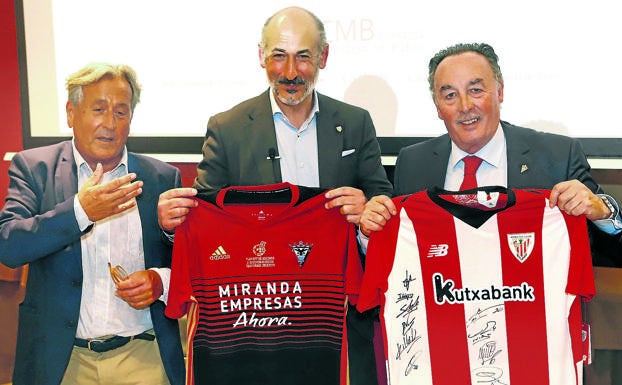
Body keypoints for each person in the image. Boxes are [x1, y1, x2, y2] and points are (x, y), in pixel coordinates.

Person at [157, 6, 393, 385]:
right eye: (278, 56)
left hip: (339, 326)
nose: (289, 72)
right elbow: (203, 217)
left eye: (303, 56)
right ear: (261, 57)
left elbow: (383, 203)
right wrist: (172, 226)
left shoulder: (355, 122)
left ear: (324, 57)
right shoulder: (228, 128)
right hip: (255, 333)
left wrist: (368, 217)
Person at [0, 63, 185, 385]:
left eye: (121, 112)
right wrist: (80, 211)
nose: (110, 124)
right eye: (98, 109)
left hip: (143, 356)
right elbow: (9, 246)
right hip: (62, 360)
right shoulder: (34, 168)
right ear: (72, 113)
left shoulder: (161, 177)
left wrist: (161, 281)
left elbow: (190, 261)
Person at [361, 42, 621, 251]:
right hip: (444, 310)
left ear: (499, 92)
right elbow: (397, 251)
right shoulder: (413, 163)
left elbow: (613, 246)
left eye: (475, 90)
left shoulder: (556, 156)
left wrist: (601, 211)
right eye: (450, 95)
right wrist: (369, 233)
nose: (464, 106)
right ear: (438, 106)